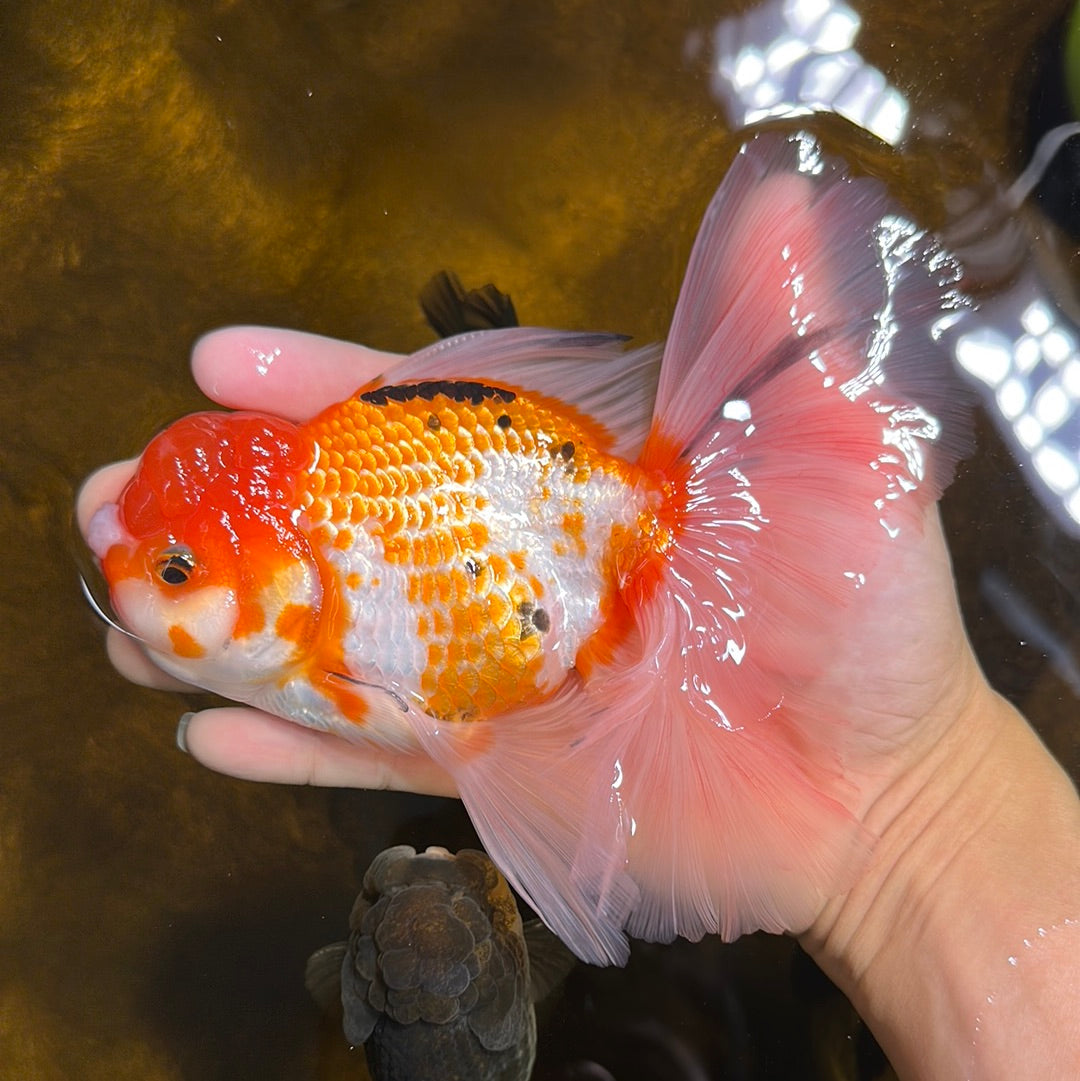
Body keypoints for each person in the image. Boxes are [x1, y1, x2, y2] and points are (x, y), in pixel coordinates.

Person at [77, 326, 1080, 1080]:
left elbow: (466, 732)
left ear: (282, 588)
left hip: (565, 560)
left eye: (172, 570)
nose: (133, 576)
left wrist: (912, 809)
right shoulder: (305, 608)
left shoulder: (331, 623)